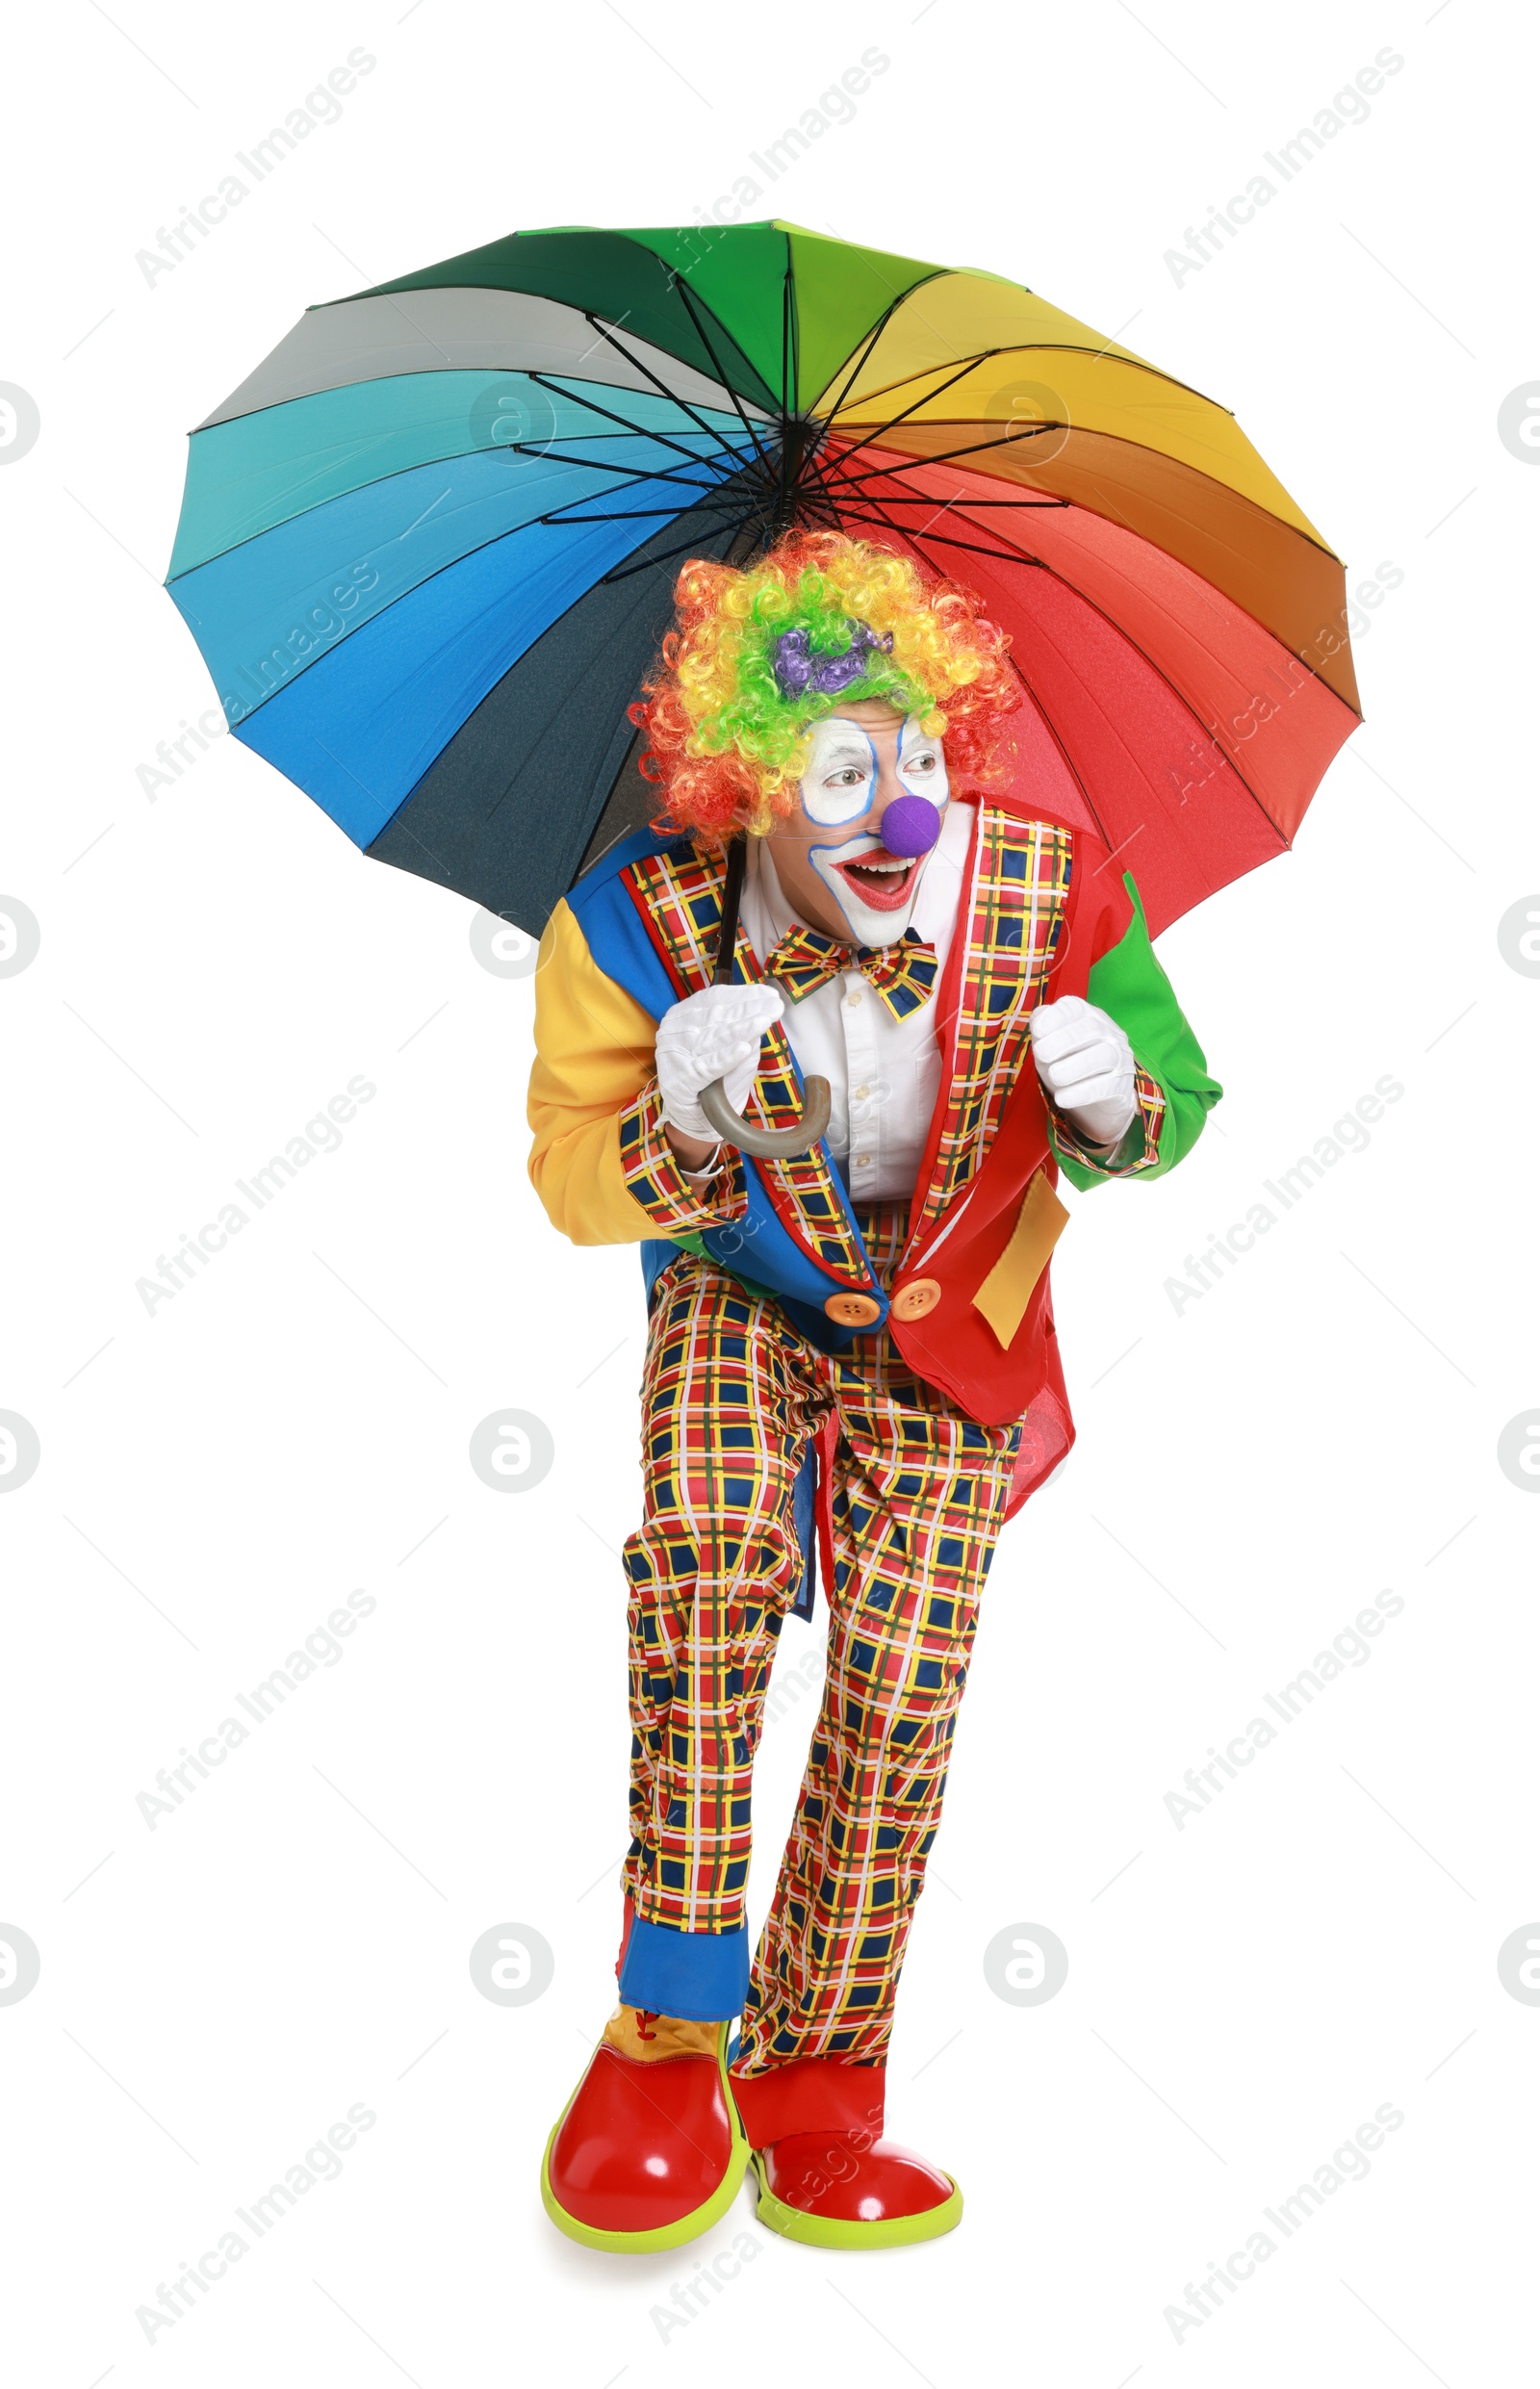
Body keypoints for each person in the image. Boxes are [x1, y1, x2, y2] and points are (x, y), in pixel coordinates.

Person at [526, 530, 1219, 2251]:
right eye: (845, 770)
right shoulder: (632, 919)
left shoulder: (1054, 887)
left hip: (946, 1316)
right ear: (750, 782)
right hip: (741, 1290)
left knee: (904, 1686)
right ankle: (667, 2031)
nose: (901, 809)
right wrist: (675, 1122)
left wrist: (1118, 1098)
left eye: (919, 755)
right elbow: (564, 1179)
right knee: (707, 1568)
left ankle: (820, 2079)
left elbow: (1183, 1099)